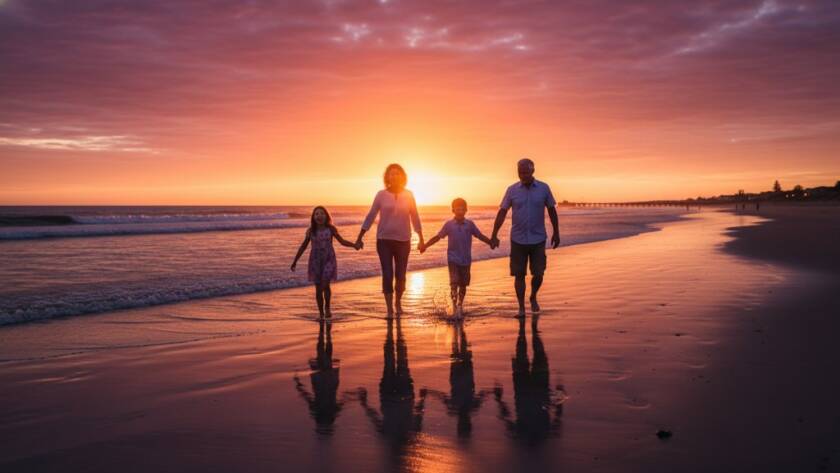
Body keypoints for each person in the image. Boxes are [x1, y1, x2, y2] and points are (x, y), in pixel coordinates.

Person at [490, 159, 560, 317]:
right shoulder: (512, 190)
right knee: (519, 274)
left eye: (526, 172)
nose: (523, 175)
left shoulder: (544, 188)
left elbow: (551, 210)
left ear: (533, 171)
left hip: (538, 238)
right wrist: (494, 234)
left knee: (539, 273)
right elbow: (502, 212)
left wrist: (556, 232)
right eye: (520, 172)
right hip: (518, 239)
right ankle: (521, 308)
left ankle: (533, 296)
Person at [356, 164, 425, 317]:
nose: (394, 176)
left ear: (402, 176)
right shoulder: (381, 195)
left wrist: (421, 238)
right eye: (391, 174)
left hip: (403, 241)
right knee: (387, 274)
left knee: (401, 275)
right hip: (384, 241)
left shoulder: (409, 194)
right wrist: (360, 236)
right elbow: (371, 215)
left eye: (397, 174)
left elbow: (415, 217)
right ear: (387, 177)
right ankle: (389, 309)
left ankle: (398, 302)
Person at [419, 197, 492, 318]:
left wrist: (490, 242)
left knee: (463, 285)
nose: (460, 211)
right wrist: (425, 245)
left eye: (462, 209)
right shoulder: (449, 225)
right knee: (454, 282)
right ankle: (453, 308)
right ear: (453, 210)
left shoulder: (470, 224)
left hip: (466, 259)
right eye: (457, 209)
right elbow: (438, 237)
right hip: (452, 259)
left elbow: (479, 235)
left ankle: (459, 305)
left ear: (466, 210)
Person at [291, 206, 358, 318]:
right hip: (315, 261)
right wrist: (295, 261)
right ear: (313, 217)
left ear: (326, 216)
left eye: (322, 213)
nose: (319, 216)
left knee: (325, 284)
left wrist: (354, 245)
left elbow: (342, 241)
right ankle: (321, 313)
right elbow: (303, 246)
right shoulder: (311, 231)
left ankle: (327, 308)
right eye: (316, 214)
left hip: (329, 260)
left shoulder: (331, 229)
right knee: (318, 288)